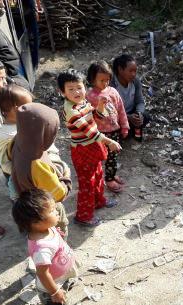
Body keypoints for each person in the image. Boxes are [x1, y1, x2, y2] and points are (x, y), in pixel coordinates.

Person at [12, 189, 81, 305]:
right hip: (51, 287)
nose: (56, 211)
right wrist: (54, 291)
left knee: (65, 298)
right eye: (52, 210)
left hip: (61, 278)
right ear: (36, 222)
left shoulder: (46, 228)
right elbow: (42, 273)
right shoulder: (41, 248)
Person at [57, 69, 121, 227]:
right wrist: (109, 142)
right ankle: (83, 216)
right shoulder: (71, 111)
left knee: (98, 174)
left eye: (79, 87)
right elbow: (91, 132)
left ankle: (99, 201)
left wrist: (100, 105)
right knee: (87, 183)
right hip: (83, 149)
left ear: (84, 87)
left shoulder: (82, 103)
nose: (76, 92)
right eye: (71, 89)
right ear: (62, 92)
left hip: (92, 146)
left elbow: (95, 117)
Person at [11, 102, 71, 235]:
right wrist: (66, 176)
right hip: (46, 209)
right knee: (58, 233)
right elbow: (58, 194)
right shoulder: (38, 165)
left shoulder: (18, 139)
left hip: (28, 199)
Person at [86, 60, 129, 193]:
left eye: (107, 80)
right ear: (92, 80)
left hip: (114, 131)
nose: (105, 83)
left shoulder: (113, 92)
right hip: (99, 134)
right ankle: (98, 178)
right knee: (98, 157)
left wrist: (125, 126)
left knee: (113, 156)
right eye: (101, 80)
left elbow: (121, 109)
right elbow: (88, 116)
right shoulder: (90, 96)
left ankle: (110, 177)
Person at [110, 54, 149, 141]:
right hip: (118, 117)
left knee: (145, 116)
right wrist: (127, 117)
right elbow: (110, 111)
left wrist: (139, 114)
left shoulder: (136, 82)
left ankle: (129, 132)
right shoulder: (111, 85)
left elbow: (140, 101)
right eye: (130, 71)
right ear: (120, 69)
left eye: (135, 71)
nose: (134, 74)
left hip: (131, 113)